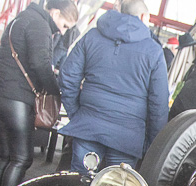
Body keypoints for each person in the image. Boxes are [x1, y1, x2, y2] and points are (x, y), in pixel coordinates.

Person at [0, 0, 78, 186]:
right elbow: (40, 65)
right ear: (55, 13)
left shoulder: (21, 18)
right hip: (17, 98)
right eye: (64, 25)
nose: (63, 31)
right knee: (21, 159)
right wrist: (55, 91)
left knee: (5, 156)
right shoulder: (40, 25)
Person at [58, 0, 168, 173]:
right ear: (143, 16)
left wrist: (77, 113)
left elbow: (67, 76)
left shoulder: (92, 36)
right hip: (127, 138)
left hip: (88, 126)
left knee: (80, 182)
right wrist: (151, 142)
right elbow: (159, 103)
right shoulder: (154, 51)